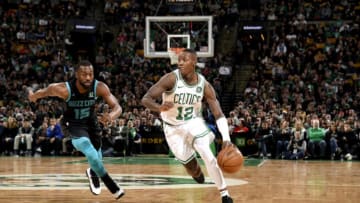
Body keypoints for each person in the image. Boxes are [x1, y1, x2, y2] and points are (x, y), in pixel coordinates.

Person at [141, 49, 234, 203]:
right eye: (179, 60)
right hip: (172, 128)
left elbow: (218, 114)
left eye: (185, 59)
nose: (180, 62)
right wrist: (159, 107)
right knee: (193, 168)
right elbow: (146, 98)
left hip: (193, 123)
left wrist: (226, 138)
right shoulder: (171, 79)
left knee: (208, 155)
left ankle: (225, 194)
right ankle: (197, 174)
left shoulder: (205, 85)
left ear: (194, 62)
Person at [28, 60, 124, 200]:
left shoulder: (99, 87)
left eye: (90, 74)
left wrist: (111, 116)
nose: (88, 78)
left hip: (91, 123)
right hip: (72, 124)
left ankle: (93, 172)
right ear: (77, 75)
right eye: (84, 74)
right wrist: (34, 96)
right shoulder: (64, 89)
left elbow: (118, 108)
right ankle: (113, 187)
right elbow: (46, 91)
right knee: (88, 148)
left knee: (96, 158)